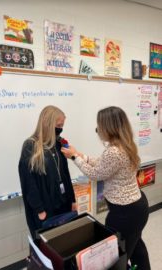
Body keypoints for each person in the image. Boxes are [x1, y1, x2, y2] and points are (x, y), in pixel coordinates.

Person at [61, 106, 151, 270]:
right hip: (137, 208)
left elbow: (96, 174)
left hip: (125, 213)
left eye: (99, 127)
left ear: (108, 128)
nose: (98, 131)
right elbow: (103, 164)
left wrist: (74, 157)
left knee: (118, 256)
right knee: (137, 248)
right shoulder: (125, 145)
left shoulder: (114, 152)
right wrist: (81, 155)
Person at [18, 105, 76, 240]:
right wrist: (39, 209)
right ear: (48, 124)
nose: (60, 129)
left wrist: (72, 199)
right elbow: (28, 182)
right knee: (47, 245)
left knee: (64, 241)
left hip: (63, 203)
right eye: (59, 125)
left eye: (62, 125)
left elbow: (65, 173)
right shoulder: (30, 146)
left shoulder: (58, 143)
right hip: (45, 208)